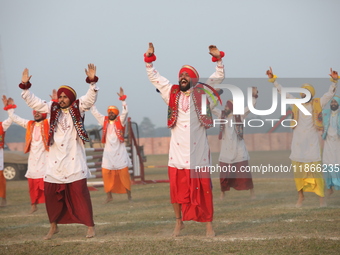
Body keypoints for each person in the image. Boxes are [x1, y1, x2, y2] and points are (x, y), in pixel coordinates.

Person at [144, 42, 225, 237]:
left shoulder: (202, 93)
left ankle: (208, 226)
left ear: (194, 79)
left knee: (205, 191)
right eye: (181, 74)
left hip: (198, 154)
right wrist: (149, 60)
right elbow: (156, 79)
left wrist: (218, 59)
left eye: (186, 75)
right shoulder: (171, 93)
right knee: (177, 192)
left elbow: (218, 78)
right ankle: (179, 223)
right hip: (177, 154)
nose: (182, 77)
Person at [19, 64, 98, 239]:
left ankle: (90, 226)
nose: (61, 99)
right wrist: (25, 87)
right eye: (60, 96)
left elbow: (90, 99)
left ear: (71, 98)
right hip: (54, 163)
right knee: (50, 195)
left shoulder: (79, 109)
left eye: (65, 96)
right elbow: (35, 102)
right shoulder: (52, 108)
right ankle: (53, 226)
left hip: (74, 161)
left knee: (81, 194)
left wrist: (92, 83)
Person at [266, 67, 338, 207]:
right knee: (298, 172)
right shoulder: (296, 103)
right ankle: (301, 197)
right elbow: (283, 93)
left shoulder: (317, 103)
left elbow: (329, 95)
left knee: (316, 172)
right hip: (298, 144)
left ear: (310, 94)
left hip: (312, 143)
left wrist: (334, 82)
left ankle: (321, 198)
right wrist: (273, 81)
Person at [4, 95, 50, 213]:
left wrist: (54, 101)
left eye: (39, 112)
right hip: (33, 160)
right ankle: (33, 205)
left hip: (46, 160)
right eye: (35, 112)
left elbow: (56, 115)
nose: (36, 113)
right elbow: (15, 118)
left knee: (48, 184)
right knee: (32, 184)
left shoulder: (48, 123)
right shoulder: (29, 124)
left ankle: (50, 205)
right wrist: (9, 108)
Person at [212, 87, 258, 200]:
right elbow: (210, 107)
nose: (225, 107)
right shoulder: (221, 115)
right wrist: (215, 96)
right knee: (224, 174)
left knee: (245, 173)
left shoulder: (240, 115)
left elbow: (250, 107)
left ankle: (252, 193)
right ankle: (223, 193)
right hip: (226, 150)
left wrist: (253, 96)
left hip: (239, 149)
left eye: (227, 106)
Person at [90, 87, 132, 203]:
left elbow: (125, 112)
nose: (110, 113)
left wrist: (123, 100)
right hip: (108, 153)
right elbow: (95, 112)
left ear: (116, 114)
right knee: (106, 173)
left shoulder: (120, 120)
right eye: (109, 112)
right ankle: (109, 196)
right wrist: (92, 100)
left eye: (112, 112)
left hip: (120, 152)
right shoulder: (104, 121)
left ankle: (129, 196)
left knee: (124, 174)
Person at [322, 95, 340, 198]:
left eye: (335, 102)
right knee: (327, 163)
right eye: (332, 102)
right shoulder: (325, 114)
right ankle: (329, 186)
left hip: (338, 142)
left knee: (337, 163)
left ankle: (337, 184)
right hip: (328, 141)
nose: (333, 103)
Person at [0, 96, 13, 207]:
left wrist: (8, 107)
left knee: (0, 178)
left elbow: (10, 119)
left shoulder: (1, 126)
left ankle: (3, 199)